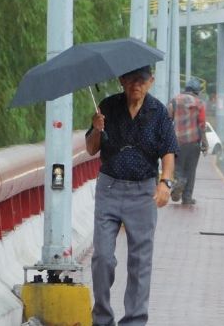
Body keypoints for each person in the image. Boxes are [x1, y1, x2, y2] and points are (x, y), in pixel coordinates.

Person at [85, 65, 178, 326]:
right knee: (102, 257)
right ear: (121, 81)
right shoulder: (108, 106)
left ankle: (134, 321)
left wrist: (165, 183)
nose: (135, 84)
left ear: (151, 82)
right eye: (130, 79)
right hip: (110, 188)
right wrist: (95, 128)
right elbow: (92, 149)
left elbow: (168, 152)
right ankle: (102, 318)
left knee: (140, 261)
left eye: (141, 79)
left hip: (143, 192)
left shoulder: (158, 112)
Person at [167, 78, 209, 205]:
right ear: (196, 91)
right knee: (191, 170)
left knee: (178, 167)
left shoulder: (174, 101)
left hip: (177, 141)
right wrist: (205, 142)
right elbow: (202, 124)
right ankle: (187, 198)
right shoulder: (199, 103)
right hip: (193, 142)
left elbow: (167, 119)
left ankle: (179, 181)